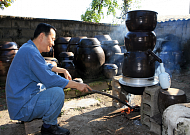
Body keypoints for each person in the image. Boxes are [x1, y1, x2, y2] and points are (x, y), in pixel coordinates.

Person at [5, 23, 92, 135]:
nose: (53, 43)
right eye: (52, 39)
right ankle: (49, 127)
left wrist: (63, 70)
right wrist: (77, 85)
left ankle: (44, 118)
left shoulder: (28, 48)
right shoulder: (30, 52)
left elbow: (44, 65)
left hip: (19, 102)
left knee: (45, 87)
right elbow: (50, 80)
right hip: (22, 107)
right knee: (57, 93)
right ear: (42, 36)